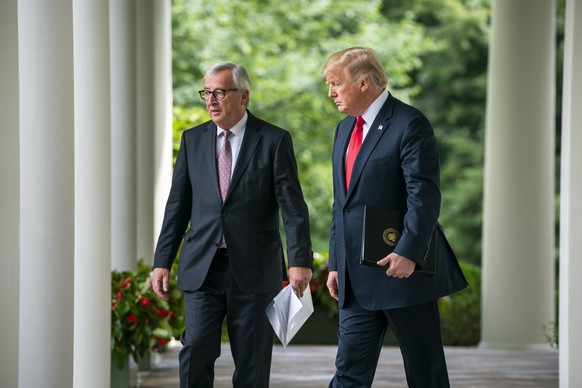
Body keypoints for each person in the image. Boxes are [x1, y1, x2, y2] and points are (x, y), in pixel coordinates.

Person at [151, 61, 313, 388]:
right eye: (207, 92)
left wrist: (299, 262)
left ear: (244, 97)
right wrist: (162, 260)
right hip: (203, 268)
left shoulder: (273, 140)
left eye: (220, 92)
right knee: (195, 349)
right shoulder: (193, 140)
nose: (211, 100)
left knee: (251, 363)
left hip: (254, 270)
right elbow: (177, 206)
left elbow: (293, 208)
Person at [322, 47, 468, 387]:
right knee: (348, 373)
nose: (330, 93)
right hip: (355, 277)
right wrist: (334, 262)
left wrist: (407, 252)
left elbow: (425, 195)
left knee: (425, 373)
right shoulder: (344, 130)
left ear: (363, 83)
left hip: (403, 272)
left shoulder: (409, 123)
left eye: (336, 84)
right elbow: (340, 204)